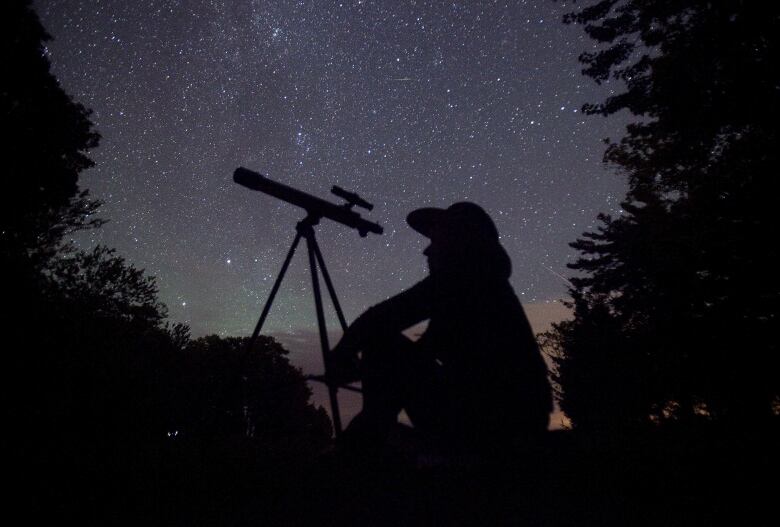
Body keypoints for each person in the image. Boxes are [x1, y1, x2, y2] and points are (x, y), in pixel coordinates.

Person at [329, 202, 552, 461]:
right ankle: (367, 440)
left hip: (498, 424)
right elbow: (423, 355)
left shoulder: (464, 277)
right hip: (507, 417)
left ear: (458, 241)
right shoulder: (481, 285)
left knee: (383, 347)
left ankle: (360, 449)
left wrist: (342, 354)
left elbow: (385, 317)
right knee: (387, 355)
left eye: (436, 240)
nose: (427, 250)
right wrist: (367, 371)